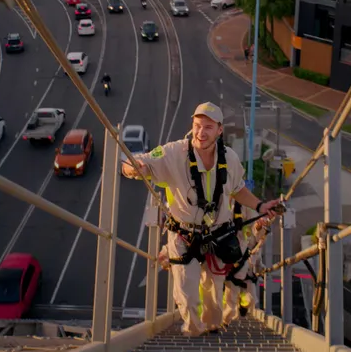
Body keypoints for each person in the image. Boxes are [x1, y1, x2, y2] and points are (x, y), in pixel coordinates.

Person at [121, 102, 283, 336]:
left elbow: (238, 190)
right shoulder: (173, 153)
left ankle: (213, 326)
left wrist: (260, 205)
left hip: (217, 234)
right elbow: (137, 163)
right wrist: (133, 167)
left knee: (213, 293)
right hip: (184, 233)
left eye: (208, 127)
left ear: (219, 130)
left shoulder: (230, 159)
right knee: (186, 292)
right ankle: (193, 330)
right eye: (197, 125)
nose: (201, 132)